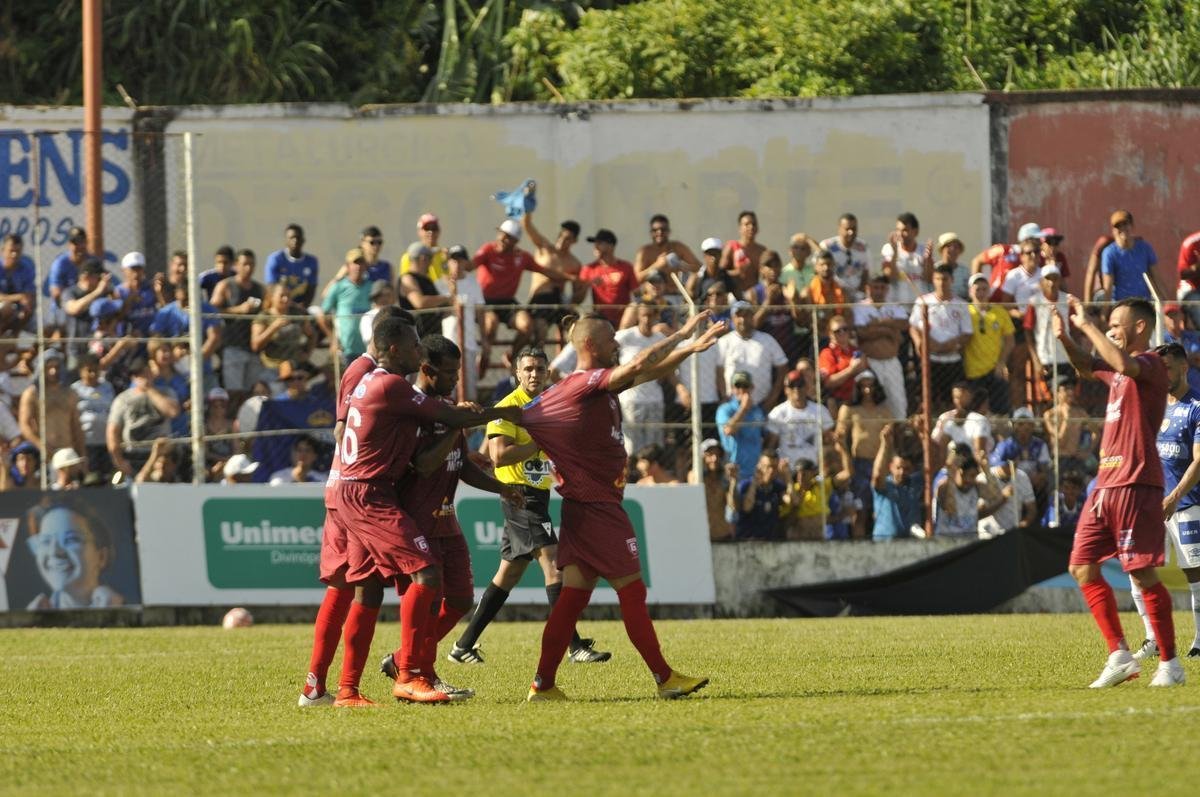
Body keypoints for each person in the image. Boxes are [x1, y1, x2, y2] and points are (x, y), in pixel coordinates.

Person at [310, 316, 522, 706]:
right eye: (413, 346)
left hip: (369, 493)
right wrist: (503, 413)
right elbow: (425, 458)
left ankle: (346, 689)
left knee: (371, 591)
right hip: (371, 495)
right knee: (413, 578)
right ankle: (408, 673)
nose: (418, 351)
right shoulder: (394, 388)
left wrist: (498, 483)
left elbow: (453, 450)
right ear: (395, 349)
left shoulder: (385, 386)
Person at [518, 309, 722, 701]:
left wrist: (690, 349)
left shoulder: (600, 386)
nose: (618, 344)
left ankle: (543, 685)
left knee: (571, 600)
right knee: (632, 591)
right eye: (611, 338)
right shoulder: (586, 382)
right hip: (598, 509)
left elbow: (649, 372)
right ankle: (664, 678)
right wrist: (680, 333)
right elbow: (641, 363)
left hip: (584, 508)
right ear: (590, 344)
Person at [379, 335, 530, 699]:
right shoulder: (413, 411)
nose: (455, 379)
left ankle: (403, 659)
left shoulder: (447, 408)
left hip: (447, 520)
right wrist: (456, 426)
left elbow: (459, 464)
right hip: (417, 522)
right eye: (449, 373)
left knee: (460, 600)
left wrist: (501, 488)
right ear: (426, 370)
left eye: (458, 371)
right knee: (429, 600)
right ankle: (421, 674)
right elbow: (424, 463)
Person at [450, 346, 611, 665]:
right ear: (517, 374)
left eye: (540, 369)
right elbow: (499, 456)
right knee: (553, 564)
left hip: (537, 493)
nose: (534, 374)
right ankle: (573, 645)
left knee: (508, 573)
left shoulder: (549, 404)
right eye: (528, 369)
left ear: (548, 372)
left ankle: (463, 645)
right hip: (519, 495)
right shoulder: (507, 408)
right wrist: (541, 439)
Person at [1053, 295, 1182, 687]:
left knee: (1141, 573)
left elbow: (1122, 363)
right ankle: (1120, 654)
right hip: (1105, 485)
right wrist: (1065, 337)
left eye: (1115, 324)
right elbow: (1086, 365)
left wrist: (1087, 324)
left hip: (1135, 482)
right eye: (1106, 325)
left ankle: (1170, 665)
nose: (1109, 330)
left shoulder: (1152, 364)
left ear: (1139, 327)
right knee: (1081, 566)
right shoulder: (1119, 373)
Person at [298, 306, 411, 708]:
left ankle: (318, 686)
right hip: (354, 491)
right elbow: (342, 428)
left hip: (348, 488)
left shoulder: (373, 372)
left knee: (346, 586)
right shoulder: (362, 370)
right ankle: (349, 685)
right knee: (363, 586)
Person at [1129, 342, 1200, 662]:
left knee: (1195, 573)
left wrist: (1174, 497)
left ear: (1184, 368)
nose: (1162, 375)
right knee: (1137, 567)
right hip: (1151, 505)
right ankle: (1152, 638)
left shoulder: (1196, 408)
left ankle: (1199, 640)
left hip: (1187, 504)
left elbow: (1199, 460)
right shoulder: (1153, 405)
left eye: (1167, 368)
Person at [24, 500, 124, 609]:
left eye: (71, 539)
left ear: (101, 557)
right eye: (45, 541)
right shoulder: (34, 614)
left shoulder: (124, 609)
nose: (54, 552)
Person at [474, 219, 551, 358]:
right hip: (485, 301)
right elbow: (470, 265)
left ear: (516, 241)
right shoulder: (488, 250)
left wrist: (571, 277)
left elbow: (545, 271)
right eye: (502, 234)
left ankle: (513, 358)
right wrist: (454, 261)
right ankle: (484, 359)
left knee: (527, 326)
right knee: (491, 324)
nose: (503, 239)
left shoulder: (522, 257)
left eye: (508, 237)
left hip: (507, 301)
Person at [909, 263, 973, 413]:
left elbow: (967, 333)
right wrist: (920, 342)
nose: (941, 283)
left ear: (952, 280)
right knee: (926, 400)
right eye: (937, 279)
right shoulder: (923, 302)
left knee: (952, 402)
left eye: (945, 279)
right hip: (930, 360)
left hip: (952, 360)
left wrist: (948, 345)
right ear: (933, 280)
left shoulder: (961, 304)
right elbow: (913, 326)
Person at [614, 301, 673, 456]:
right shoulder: (625, 336)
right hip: (631, 401)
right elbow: (608, 351)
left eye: (650, 315)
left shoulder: (660, 339)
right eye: (643, 315)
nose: (647, 319)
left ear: (656, 316)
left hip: (655, 400)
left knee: (654, 448)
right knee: (631, 448)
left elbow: (669, 364)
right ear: (638, 316)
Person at [836, 371, 891, 538]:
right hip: (859, 464)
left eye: (871, 386)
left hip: (880, 464)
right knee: (859, 511)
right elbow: (840, 437)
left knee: (881, 508)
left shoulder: (885, 411)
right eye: (863, 386)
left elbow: (892, 440)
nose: (867, 390)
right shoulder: (850, 410)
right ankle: (859, 543)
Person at [106, 357, 181, 479]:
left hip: (160, 455)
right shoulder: (122, 399)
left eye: (146, 372)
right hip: (132, 454)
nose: (142, 377)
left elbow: (173, 412)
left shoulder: (166, 392)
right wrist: (118, 460)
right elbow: (113, 431)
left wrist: (150, 389)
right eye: (138, 374)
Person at [211, 248, 266, 400]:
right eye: (245, 264)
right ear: (236, 265)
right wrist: (239, 310)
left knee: (252, 393)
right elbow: (212, 311)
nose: (248, 268)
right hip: (233, 346)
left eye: (252, 264)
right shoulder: (225, 286)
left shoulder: (260, 289)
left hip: (254, 349)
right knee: (234, 393)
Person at [852, 274, 908, 420]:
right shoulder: (859, 307)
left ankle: (899, 431)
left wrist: (879, 323)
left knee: (897, 399)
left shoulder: (894, 306)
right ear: (868, 288)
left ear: (887, 289)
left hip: (891, 362)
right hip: (870, 362)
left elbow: (904, 324)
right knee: (873, 398)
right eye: (875, 287)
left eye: (882, 288)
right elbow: (862, 333)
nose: (878, 291)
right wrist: (889, 330)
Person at [19, 349, 87, 469]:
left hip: (67, 452)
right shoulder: (32, 394)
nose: (53, 371)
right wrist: (41, 446)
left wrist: (82, 454)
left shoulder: (70, 393)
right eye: (49, 367)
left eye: (57, 367)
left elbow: (76, 425)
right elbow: (25, 425)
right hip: (44, 453)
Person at [522, 211, 583, 341]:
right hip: (540, 299)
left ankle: (566, 353)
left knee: (576, 328)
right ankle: (535, 352)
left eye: (567, 238)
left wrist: (586, 285)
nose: (562, 240)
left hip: (559, 301)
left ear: (575, 241)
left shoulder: (574, 263)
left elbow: (576, 297)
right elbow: (527, 225)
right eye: (560, 235)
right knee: (541, 330)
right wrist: (527, 209)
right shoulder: (545, 248)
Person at [716, 300, 787, 410]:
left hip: (762, 405)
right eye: (738, 316)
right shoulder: (724, 342)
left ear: (752, 317)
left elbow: (783, 367)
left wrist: (773, 398)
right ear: (732, 319)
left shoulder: (767, 340)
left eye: (746, 315)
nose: (743, 319)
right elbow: (719, 371)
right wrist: (724, 396)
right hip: (733, 405)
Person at [963, 273, 1014, 415]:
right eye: (977, 289)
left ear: (989, 291)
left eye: (984, 289)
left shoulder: (1000, 312)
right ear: (970, 292)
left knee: (1000, 411)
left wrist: (1002, 362)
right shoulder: (965, 311)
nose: (981, 293)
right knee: (976, 412)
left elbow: (1010, 340)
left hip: (995, 370)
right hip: (973, 370)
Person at [765, 368, 834, 468]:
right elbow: (771, 445)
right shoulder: (778, 412)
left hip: (813, 468)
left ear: (806, 387)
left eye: (800, 385)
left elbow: (830, 440)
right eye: (792, 386)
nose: (796, 389)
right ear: (786, 390)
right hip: (787, 468)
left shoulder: (820, 410)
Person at [319, 248, 373, 367]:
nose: (358, 267)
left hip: (368, 350)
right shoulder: (338, 286)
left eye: (361, 263)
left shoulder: (371, 287)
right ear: (347, 266)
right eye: (355, 263)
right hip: (345, 350)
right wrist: (332, 339)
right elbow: (322, 315)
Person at [576, 228, 638, 328]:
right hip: (600, 321)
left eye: (600, 243)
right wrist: (588, 284)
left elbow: (637, 294)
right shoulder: (588, 268)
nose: (595, 246)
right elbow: (577, 300)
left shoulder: (626, 267)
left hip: (624, 321)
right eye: (595, 243)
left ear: (611, 246)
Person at [252, 283, 314, 380]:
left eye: (288, 296)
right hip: (272, 366)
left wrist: (307, 352)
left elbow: (312, 335)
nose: (285, 299)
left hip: (294, 364)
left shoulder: (296, 314)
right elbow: (255, 345)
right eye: (281, 296)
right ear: (272, 297)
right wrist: (273, 328)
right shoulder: (264, 316)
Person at [871, 424, 922, 540]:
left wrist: (923, 436)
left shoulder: (915, 483)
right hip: (884, 543)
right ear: (891, 467)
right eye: (898, 468)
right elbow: (877, 475)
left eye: (906, 469)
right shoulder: (885, 485)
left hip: (909, 543)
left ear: (912, 469)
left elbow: (935, 464)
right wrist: (885, 444)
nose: (902, 472)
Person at [70, 353, 116, 477]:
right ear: (81, 372)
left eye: (96, 370)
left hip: (106, 442)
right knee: (89, 478)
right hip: (85, 443)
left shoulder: (108, 387)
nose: (93, 374)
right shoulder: (74, 390)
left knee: (108, 478)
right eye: (89, 371)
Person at [1101, 210, 1162, 302]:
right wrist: (1105, 310)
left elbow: (1157, 278)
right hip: (1121, 304)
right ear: (1113, 231)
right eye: (1118, 226)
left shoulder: (1145, 248)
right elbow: (1108, 287)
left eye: (1125, 224)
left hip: (1144, 303)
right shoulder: (1109, 253)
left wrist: (1166, 303)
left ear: (1132, 226)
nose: (1122, 228)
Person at [716, 371, 768, 477]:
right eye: (738, 386)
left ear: (752, 388)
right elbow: (728, 430)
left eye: (745, 386)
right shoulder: (725, 409)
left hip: (755, 471)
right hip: (733, 470)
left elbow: (764, 436)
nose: (741, 390)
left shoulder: (757, 411)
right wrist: (743, 409)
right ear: (732, 388)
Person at [932, 382, 994, 466]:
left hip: (973, 466)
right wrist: (946, 468)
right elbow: (940, 447)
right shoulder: (947, 420)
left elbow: (979, 451)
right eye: (956, 397)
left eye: (963, 397)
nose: (960, 401)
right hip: (952, 466)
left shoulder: (979, 420)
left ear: (971, 397)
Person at [881, 212, 932, 304]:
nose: (900, 234)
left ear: (915, 232)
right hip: (897, 306)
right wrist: (895, 253)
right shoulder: (889, 249)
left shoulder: (923, 250)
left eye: (905, 230)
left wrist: (928, 260)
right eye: (898, 230)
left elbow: (929, 279)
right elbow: (890, 278)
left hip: (920, 305)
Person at [689, 438, 734, 541]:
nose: (715, 459)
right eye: (710, 455)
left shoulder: (724, 479)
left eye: (718, 455)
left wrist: (733, 481)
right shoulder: (695, 476)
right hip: (703, 536)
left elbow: (733, 505)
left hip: (723, 534)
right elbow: (694, 495)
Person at [735, 450, 786, 540]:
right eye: (768, 467)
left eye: (774, 467)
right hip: (748, 540)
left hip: (770, 540)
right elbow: (747, 508)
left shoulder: (778, 486)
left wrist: (787, 476)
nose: (771, 471)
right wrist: (755, 482)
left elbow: (793, 502)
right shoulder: (746, 486)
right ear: (759, 467)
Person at [818, 314, 866, 408]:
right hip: (839, 401)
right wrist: (851, 369)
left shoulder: (855, 350)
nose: (842, 333)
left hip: (858, 399)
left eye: (845, 329)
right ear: (830, 334)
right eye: (837, 331)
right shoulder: (827, 353)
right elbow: (828, 383)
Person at [264, 223, 318, 306]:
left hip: (300, 307)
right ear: (286, 241)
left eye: (298, 238)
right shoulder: (275, 259)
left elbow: (311, 289)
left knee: (317, 312)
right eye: (291, 238)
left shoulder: (311, 261)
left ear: (303, 240)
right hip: (278, 306)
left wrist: (301, 308)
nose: (295, 240)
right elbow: (271, 287)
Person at [819, 212, 869, 301]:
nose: (851, 232)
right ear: (839, 229)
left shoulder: (862, 247)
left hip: (857, 297)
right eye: (847, 229)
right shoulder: (828, 246)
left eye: (854, 229)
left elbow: (866, 272)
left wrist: (860, 293)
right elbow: (819, 270)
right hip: (834, 295)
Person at [719, 211, 765, 293]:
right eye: (747, 224)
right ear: (740, 228)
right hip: (734, 294)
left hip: (755, 294)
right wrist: (736, 272)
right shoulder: (731, 247)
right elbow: (719, 273)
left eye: (754, 224)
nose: (751, 227)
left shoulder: (762, 251)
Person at [114, 251, 157, 337]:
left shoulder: (151, 288)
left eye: (139, 269)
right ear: (123, 270)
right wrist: (130, 298)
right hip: (128, 336)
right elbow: (117, 318)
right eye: (132, 269)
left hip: (150, 335)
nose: (136, 273)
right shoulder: (119, 291)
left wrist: (159, 292)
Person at [0, 233, 36, 334]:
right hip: (3, 309)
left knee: (48, 330)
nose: (14, 255)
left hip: (19, 311)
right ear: (3, 251)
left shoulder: (26, 269)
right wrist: (18, 297)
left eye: (17, 251)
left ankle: (14, 339)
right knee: (7, 307)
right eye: (11, 251)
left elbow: (30, 295)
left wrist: (27, 306)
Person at [400, 213, 448, 283]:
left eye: (434, 228)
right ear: (419, 232)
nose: (431, 232)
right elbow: (406, 282)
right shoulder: (409, 257)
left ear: (439, 231)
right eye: (427, 228)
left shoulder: (445, 255)